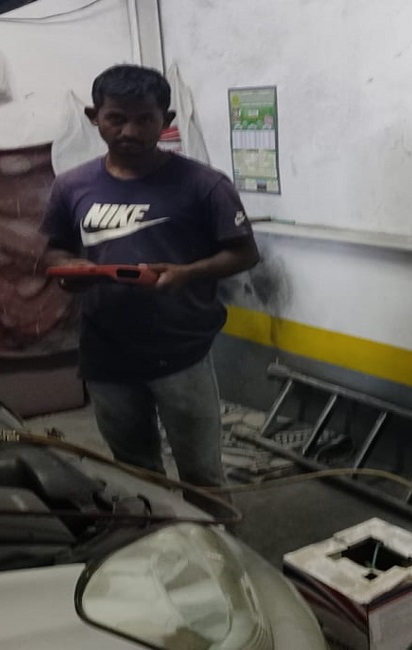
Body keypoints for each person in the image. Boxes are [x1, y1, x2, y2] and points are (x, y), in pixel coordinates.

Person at [40, 64, 260, 514]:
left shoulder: (204, 185)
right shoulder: (72, 185)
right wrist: (67, 267)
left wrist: (187, 273)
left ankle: (218, 547)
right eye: (116, 118)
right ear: (94, 117)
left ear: (167, 119)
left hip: (181, 351)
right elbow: (54, 249)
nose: (129, 131)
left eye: (144, 119)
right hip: (106, 352)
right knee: (135, 472)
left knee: (202, 475)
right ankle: (158, 541)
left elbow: (244, 253)